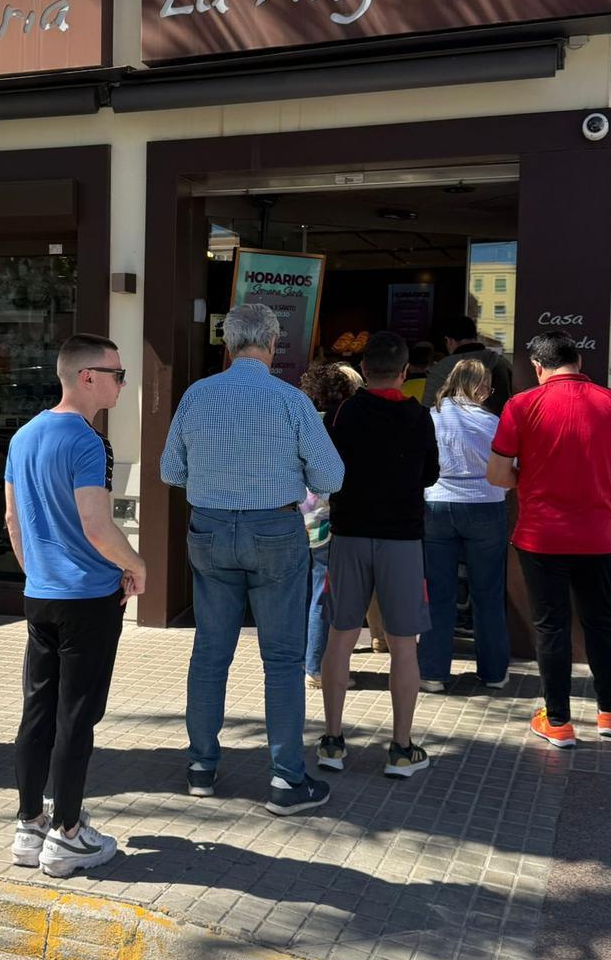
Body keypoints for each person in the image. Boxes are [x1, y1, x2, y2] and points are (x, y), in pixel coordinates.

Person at [160, 302, 345, 814]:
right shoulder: (291, 400)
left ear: (227, 342)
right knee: (283, 661)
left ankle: (201, 766)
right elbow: (331, 477)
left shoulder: (198, 396)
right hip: (275, 530)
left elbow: (170, 470)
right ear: (272, 342)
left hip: (211, 529)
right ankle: (286, 779)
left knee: (210, 653)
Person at [5, 333, 145, 877]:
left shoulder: (23, 435)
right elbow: (96, 524)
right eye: (116, 373)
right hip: (87, 598)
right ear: (86, 376)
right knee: (76, 718)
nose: (122, 382)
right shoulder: (88, 442)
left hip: (40, 595)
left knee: (37, 711)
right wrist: (136, 564)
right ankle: (66, 834)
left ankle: (28, 824)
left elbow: (13, 522)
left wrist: (36, 572)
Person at [487, 330, 611, 747]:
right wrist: (594, 479)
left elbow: (497, 475)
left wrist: (533, 479)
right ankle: (610, 714)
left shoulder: (521, 405)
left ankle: (558, 721)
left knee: (551, 628)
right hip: (598, 537)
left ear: (539, 368)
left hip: (541, 538)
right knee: (601, 624)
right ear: (579, 363)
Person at [317, 329, 439, 776]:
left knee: (341, 637)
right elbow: (430, 474)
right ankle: (401, 748)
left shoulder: (341, 413)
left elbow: (324, 468)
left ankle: (332, 741)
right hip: (403, 539)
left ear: (364, 369)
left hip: (349, 535)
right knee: (405, 647)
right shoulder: (420, 416)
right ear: (405, 372)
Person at [417, 357, 510, 694]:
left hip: (437, 506)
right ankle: (494, 672)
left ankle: (432, 672)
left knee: (437, 594)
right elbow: (511, 469)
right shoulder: (494, 422)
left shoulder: (430, 418)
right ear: (483, 389)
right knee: (488, 594)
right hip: (486, 508)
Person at [299, 362, 362, 689]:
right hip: (326, 515)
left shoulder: (300, 422)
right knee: (324, 593)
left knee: (305, 589)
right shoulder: (341, 425)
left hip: (299, 513)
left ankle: (304, 659)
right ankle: (318, 666)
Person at [422, 315, 512, 415]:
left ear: (449, 341)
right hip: (498, 426)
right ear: (475, 337)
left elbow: (427, 411)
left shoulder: (442, 369)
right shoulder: (501, 364)